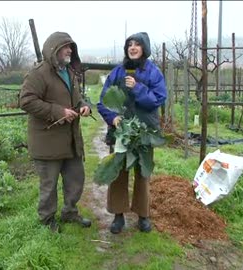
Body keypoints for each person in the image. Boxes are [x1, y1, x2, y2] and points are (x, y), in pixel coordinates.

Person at [19, 32, 92, 232]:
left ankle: (69, 212)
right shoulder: (39, 73)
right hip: (48, 141)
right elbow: (26, 100)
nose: (70, 50)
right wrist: (58, 112)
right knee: (49, 185)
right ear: (54, 49)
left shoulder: (69, 72)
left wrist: (84, 106)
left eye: (71, 47)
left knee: (76, 179)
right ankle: (47, 220)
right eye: (66, 47)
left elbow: (77, 99)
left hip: (71, 140)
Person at [97, 32, 167, 234]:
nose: (133, 48)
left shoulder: (153, 72)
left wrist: (137, 88)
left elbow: (158, 99)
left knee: (143, 173)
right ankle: (118, 216)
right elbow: (103, 101)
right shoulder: (117, 72)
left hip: (144, 131)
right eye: (130, 44)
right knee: (118, 172)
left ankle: (143, 215)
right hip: (121, 132)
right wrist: (113, 118)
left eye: (137, 44)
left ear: (144, 48)